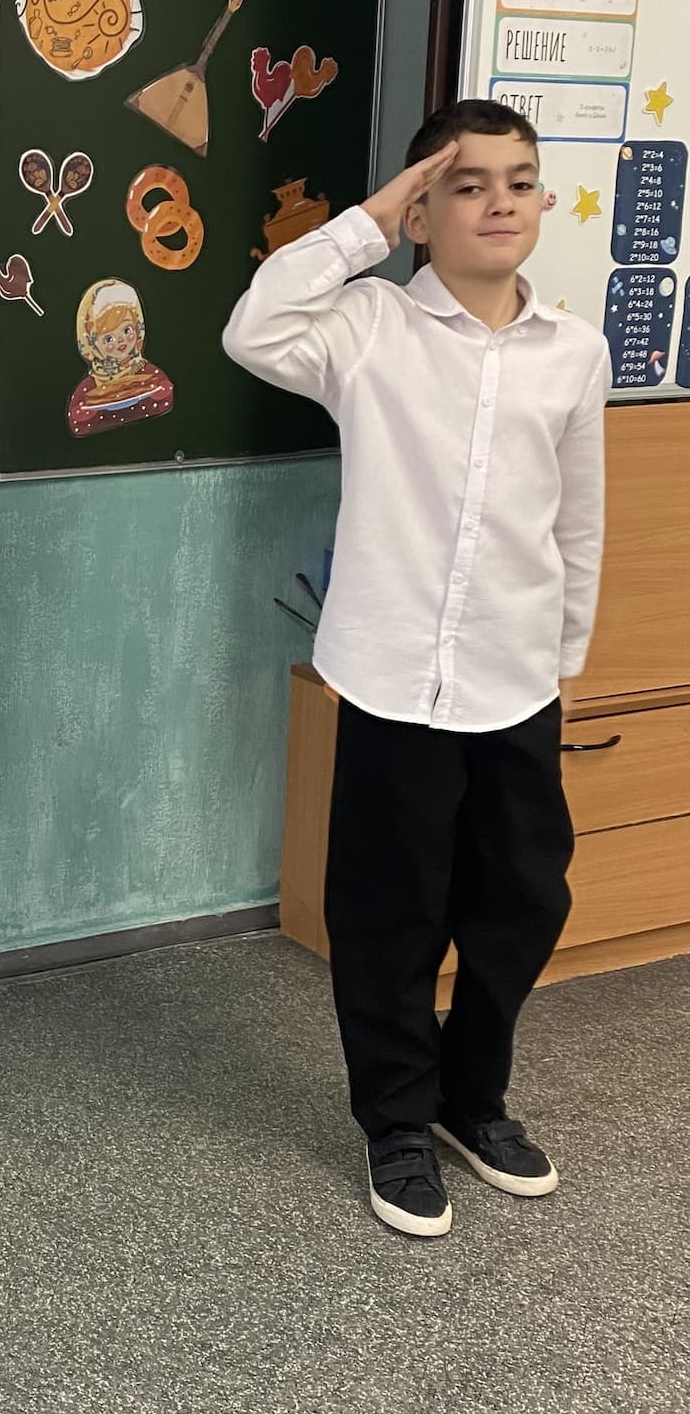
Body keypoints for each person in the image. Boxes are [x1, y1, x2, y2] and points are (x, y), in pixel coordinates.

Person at [224, 99, 611, 1239]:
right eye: (466, 183)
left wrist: (566, 658)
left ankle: (469, 1100)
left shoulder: (574, 352)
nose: (499, 202)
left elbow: (578, 522)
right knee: (392, 912)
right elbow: (254, 328)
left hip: (516, 677)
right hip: (394, 676)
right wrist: (368, 222)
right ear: (423, 212)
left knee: (522, 900)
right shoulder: (367, 328)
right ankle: (396, 1120)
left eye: (519, 181)